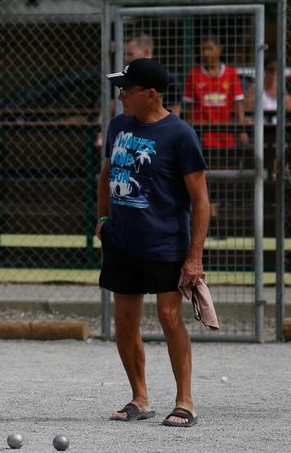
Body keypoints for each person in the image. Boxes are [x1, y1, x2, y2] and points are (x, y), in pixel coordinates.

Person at [97, 58, 210, 428]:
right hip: (123, 240)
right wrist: (101, 220)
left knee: (169, 317)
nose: (121, 98)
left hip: (165, 242)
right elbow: (105, 173)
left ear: (150, 94)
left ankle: (185, 401)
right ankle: (139, 397)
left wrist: (194, 258)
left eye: (127, 92)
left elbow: (200, 199)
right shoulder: (118, 126)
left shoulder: (179, 134)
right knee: (125, 323)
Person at [183, 35, 248, 149]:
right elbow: (189, 107)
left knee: (226, 164)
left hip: (226, 133)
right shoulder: (193, 74)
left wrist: (242, 130)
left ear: (219, 50)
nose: (205, 53)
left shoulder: (231, 73)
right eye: (203, 49)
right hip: (201, 135)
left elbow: (239, 103)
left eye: (209, 49)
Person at [244, 55, 291, 124]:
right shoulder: (254, 90)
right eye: (271, 70)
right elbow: (246, 115)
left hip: (279, 131)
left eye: (278, 70)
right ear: (265, 71)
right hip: (260, 131)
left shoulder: (283, 92)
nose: (275, 73)